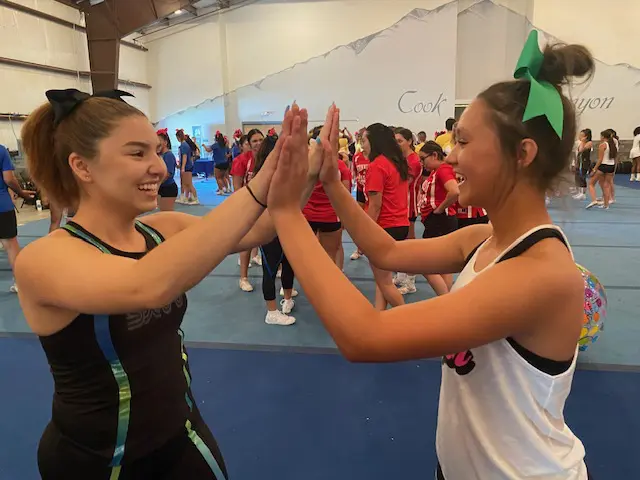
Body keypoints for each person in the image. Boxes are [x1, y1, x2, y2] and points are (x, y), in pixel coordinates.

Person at [268, 34, 594, 479]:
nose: (451, 156)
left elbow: (365, 337)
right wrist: (333, 184)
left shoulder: (539, 274)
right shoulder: (486, 236)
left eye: (462, 141)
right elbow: (387, 249)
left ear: (522, 154)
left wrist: (285, 213)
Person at [16, 90, 315, 479]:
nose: (158, 166)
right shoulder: (45, 259)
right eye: (137, 153)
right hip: (99, 461)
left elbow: (257, 229)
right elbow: (148, 285)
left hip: (181, 432)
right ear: (82, 166)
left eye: (157, 151)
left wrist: (307, 172)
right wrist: (259, 187)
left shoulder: (159, 228)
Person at [0, 144, 35, 292]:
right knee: (11, 246)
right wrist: (21, 193)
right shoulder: (1, 151)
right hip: (2, 206)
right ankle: (19, 284)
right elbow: (9, 179)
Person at [157, 128, 179, 211]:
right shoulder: (160, 155)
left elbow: (167, 174)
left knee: (167, 213)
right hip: (162, 187)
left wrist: (157, 184)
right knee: (162, 213)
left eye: (159, 141)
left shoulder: (168, 155)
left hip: (169, 188)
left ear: (165, 143)